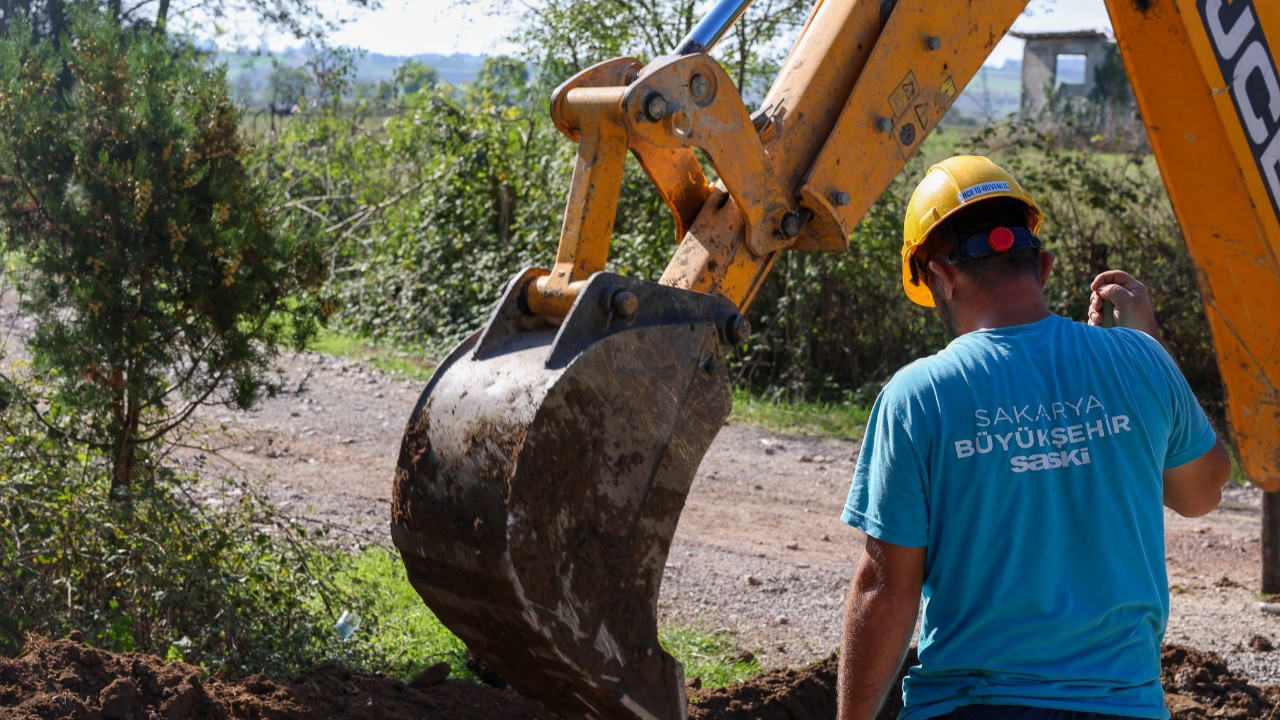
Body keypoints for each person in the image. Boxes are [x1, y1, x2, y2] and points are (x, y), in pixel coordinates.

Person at [835, 155, 1232, 720]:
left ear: (941, 277)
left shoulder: (918, 397)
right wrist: (1150, 347)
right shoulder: (1140, 360)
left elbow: (887, 589)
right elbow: (1203, 494)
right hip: (1125, 707)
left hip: (972, 707)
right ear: (1042, 267)